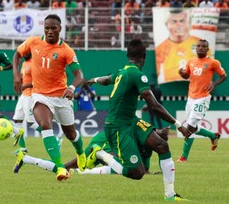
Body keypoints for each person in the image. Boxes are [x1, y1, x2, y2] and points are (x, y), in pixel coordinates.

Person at [85, 38, 191, 201]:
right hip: (118, 126)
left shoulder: (122, 72)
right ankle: (100, 154)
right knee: (136, 173)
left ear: (128, 55)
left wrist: (93, 80)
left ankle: (170, 195)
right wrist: (179, 125)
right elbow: (154, 106)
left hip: (130, 121)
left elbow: (106, 80)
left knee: (162, 145)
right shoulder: (136, 75)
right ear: (144, 56)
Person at [12, 14, 86, 181]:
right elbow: (17, 54)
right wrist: (16, 74)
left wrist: (72, 87)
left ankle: (81, 153)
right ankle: (60, 167)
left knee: (71, 134)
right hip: (40, 95)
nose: (50, 31)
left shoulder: (66, 51)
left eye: (53, 28)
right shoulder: (33, 42)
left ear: (60, 29)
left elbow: (79, 75)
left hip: (61, 97)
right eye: (47, 28)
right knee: (45, 124)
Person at [12, 127, 170, 176]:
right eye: (157, 136)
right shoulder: (141, 135)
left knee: (67, 170)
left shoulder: (148, 150)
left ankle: (26, 159)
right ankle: (98, 155)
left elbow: (144, 170)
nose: (158, 142)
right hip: (104, 141)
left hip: (110, 145)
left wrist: (154, 174)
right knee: (66, 167)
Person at [176, 39, 227, 163]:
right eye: (198, 46)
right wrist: (181, 73)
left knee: (190, 126)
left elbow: (223, 75)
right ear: (196, 48)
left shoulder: (213, 62)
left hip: (203, 98)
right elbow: (186, 76)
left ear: (207, 49)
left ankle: (183, 157)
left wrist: (214, 84)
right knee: (192, 127)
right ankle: (212, 135)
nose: (200, 48)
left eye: (203, 46)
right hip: (190, 98)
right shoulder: (191, 61)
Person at [155, 9, 201, 84]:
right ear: (167, 25)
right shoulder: (160, 49)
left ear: (189, 23)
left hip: (196, 86)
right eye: (174, 22)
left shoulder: (200, 44)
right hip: (170, 88)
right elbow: (158, 75)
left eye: (182, 21)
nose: (178, 25)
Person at [12, 53, 40, 152]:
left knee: (31, 122)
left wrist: (24, 86)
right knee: (17, 120)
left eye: (27, 52)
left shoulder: (34, 64)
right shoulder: (24, 63)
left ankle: (55, 138)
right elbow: (24, 78)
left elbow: (37, 81)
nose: (24, 54)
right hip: (23, 95)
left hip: (30, 95)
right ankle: (23, 148)